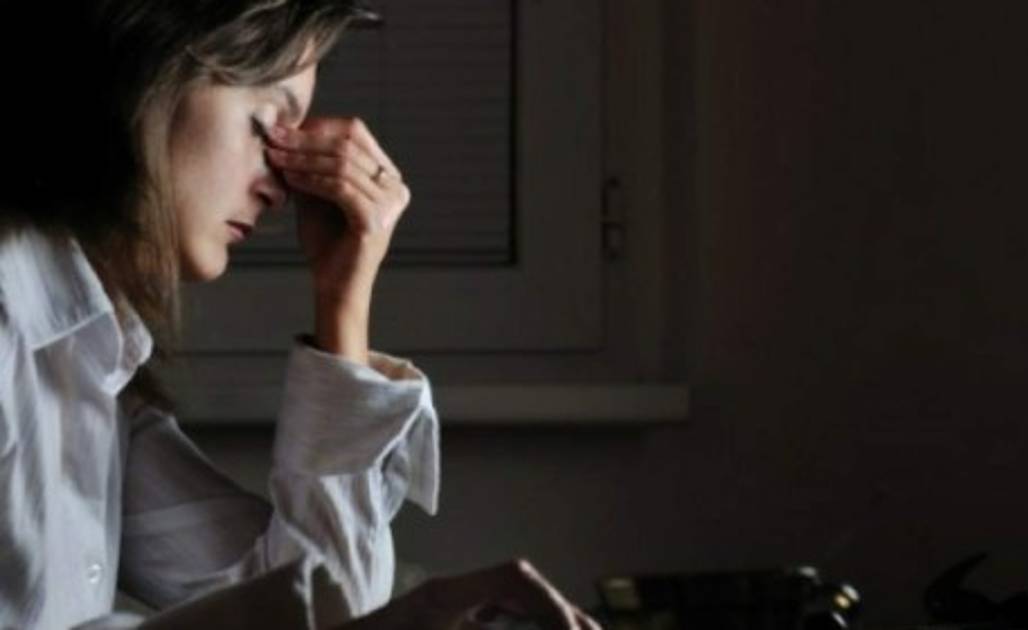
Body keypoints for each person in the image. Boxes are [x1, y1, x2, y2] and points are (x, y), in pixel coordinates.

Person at [0, 1, 600, 628]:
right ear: (149, 75)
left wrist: (343, 297)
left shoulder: (89, 365)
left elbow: (320, 605)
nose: (281, 188)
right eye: (266, 126)